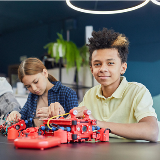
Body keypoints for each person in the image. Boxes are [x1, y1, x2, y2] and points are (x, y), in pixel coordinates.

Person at [72, 28, 159, 142]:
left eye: (110, 63)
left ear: (123, 68)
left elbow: (152, 131)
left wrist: (97, 123)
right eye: (97, 64)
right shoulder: (90, 94)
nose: (103, 69)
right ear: (92, 69)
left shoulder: (137, 91)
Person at [7, 57, 78, 127]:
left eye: (36, 81)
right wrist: (15, 114)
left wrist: (56, 118)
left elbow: (76, 125)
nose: (34, 89)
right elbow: (22, 116)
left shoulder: (68, 94)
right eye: (28, 86)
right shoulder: (32, 96)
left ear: (45, 73)